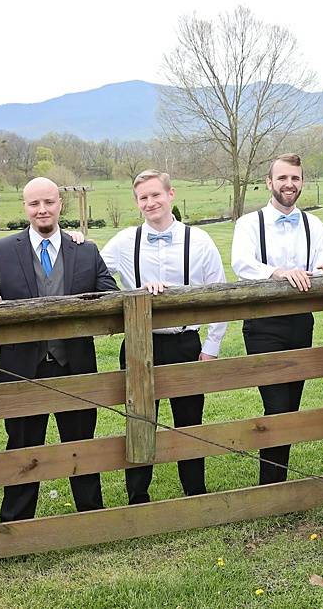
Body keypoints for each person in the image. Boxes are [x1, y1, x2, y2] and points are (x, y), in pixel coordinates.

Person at [0, 177, 117, 522]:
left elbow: (109, 294)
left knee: (80, 442)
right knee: (21, 446)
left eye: (48, 202)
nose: (42, 210)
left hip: (75, 365)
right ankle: (16, 523)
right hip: (21, 368)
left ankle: (91, 517)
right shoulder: (0, 251)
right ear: (25, 207)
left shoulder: (86, 250)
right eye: (34, 204)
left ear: (60, 204)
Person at [100, 170, 227, 504]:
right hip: (141, 345)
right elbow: (94, 270)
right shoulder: (125, 241)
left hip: (186, 343)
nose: (150, 202)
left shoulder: (199, 241)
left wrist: (211, 347)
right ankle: (137, 494)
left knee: (189, 420)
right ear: (137, 202)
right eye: (143, 197)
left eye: (156, 195)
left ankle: (195, 490)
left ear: (171, 195)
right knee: (139, 418)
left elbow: (220, 293)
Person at [231, 153, 323, 484]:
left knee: (290, 405)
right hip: (263, 325)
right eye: (283, 178)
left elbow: (322, 262)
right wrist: (278, 272)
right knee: (276, 404)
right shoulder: (249, 223)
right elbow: (242, 264)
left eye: (295, 178)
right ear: (269, 182)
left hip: (302, 322)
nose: (289, 184)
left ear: (301, 182)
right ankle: (271, 484)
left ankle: (279, 479)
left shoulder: (312, 224)